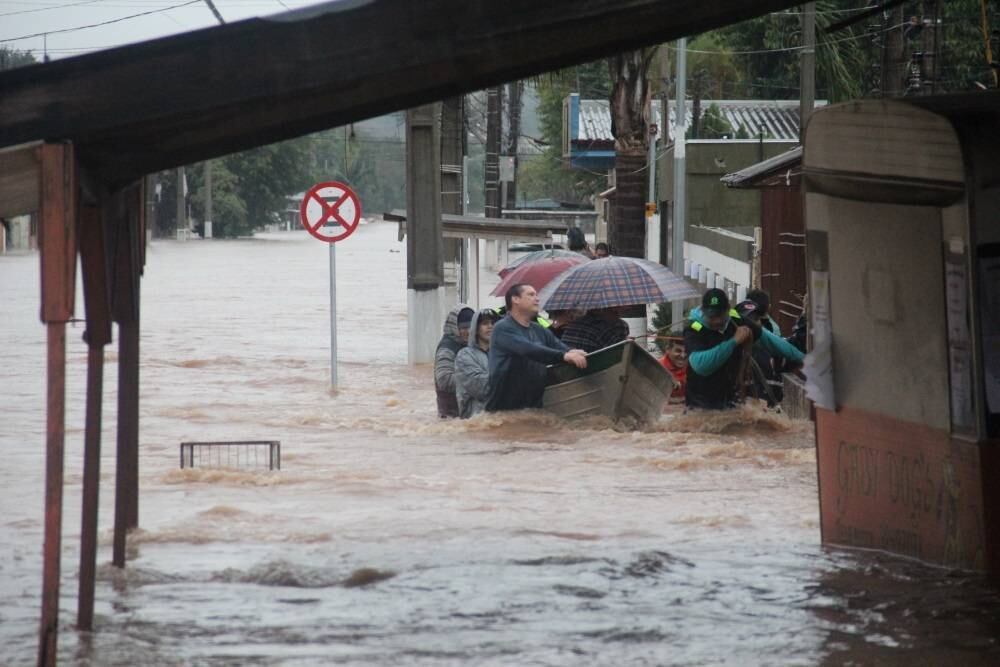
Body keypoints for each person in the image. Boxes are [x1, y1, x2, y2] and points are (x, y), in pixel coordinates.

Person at [684, 288, 804, 410]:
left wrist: (803, 359)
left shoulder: (738, 322)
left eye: (720, 315)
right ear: (703, 311)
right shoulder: (694, 329)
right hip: (699, 404)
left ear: (728, 310)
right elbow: (701, 366)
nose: (717, 321)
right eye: (712, 316)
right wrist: (733, 342)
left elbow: (772, 342)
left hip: (731, 402)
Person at [486, 284, 587, 411]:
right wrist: (564, 356)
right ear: (515, 299)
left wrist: (572, 351)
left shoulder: (539, 329)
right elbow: (528, 349)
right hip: (503, 411)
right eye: (531, 294)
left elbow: (559, 346)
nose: (537, 299)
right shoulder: (502, 328)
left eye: (536, 295)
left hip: (533, 408)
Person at [455, 309, 498, 419]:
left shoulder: (500, 353)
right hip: (475, 418)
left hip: (498, 417)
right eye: (485, 323)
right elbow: (481, 388)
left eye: (493, 323)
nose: (490, 327)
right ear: (476, 329)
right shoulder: (465, 356)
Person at [434, 304, 474, 418]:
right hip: (451, 415)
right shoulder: (447, 349)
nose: (469, 331)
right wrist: (475, 382)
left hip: (466, 412)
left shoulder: (471, 345)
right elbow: (444, 380)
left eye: (472, 326)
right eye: (464, 328)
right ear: (454, 327)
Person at [560, 307, 630, 353]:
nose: (618, 315)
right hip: (588, 368)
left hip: (563, 365)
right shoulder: (603, 327)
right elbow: (621, 352)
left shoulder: (575, 322)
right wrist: (628, 343)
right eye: (615, 312)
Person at [659, 336, 687, 402]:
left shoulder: (696, 368)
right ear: (668, 350)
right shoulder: (658, 368)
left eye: (686, 351)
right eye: (678, 351)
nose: (683, 355)